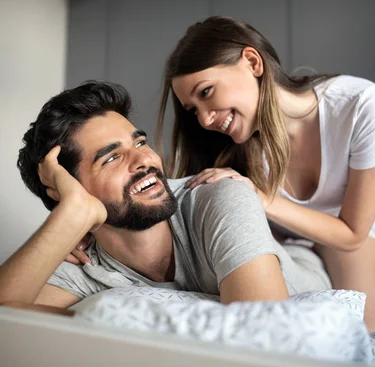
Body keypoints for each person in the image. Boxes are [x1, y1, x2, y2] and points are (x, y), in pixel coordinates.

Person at [0, 81, 334, 313]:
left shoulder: (219, 196)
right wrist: (70, 216)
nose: (145, 159)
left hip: (315, 260)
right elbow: (8, 316)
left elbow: (262, 331)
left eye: (140, 143)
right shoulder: (85, 260)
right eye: (112, 157)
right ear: (72, 193)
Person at [156, 16, 375, 332]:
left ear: (252, 62)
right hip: (285, 231)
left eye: (206, 92)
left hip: (348, 228)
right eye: (193, 110)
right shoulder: (231, 144)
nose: (204, 120)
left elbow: (352, 233)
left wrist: (262, 198)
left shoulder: (362, 106)